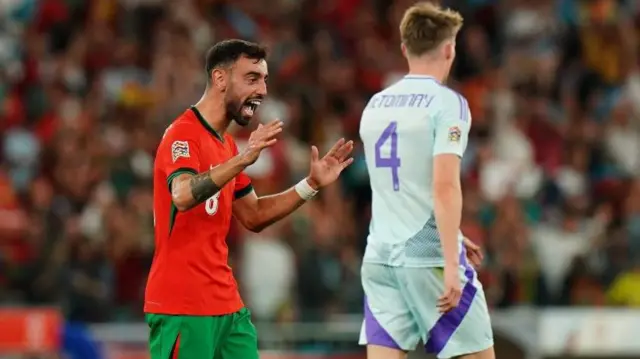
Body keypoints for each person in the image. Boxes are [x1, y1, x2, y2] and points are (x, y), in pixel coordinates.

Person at [144, 39, 353, 359]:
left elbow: (254, 214)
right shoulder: (183, 134)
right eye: (252, 78)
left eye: (265, 79)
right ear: (220, 79)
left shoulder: (226, 145)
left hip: (226, 304)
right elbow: (182, 194)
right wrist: (243, 159)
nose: (263, 90)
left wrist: (310, 184)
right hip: (182, 305)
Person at [357, 3, 494, 359]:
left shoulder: (375, 105)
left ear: (405, 49)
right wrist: (451, 261)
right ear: (449, 48)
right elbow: (443, 185)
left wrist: (457, 236)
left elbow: (401, 186)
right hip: (426, 256)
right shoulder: (449, 104)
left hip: (380, 257)